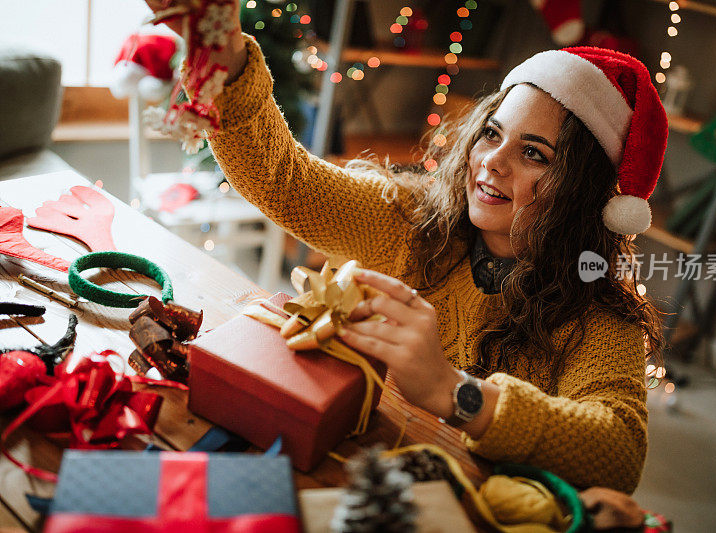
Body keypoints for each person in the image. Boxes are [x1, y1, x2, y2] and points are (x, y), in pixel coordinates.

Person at [147, 1, 667, 495]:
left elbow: (620, 450)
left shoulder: (597, 312)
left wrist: (453, 392)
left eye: (534, 154)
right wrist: (223, 55)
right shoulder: (414, 221)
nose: (492, 162)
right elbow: (284, 180)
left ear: (582, 192)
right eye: (492, 133)